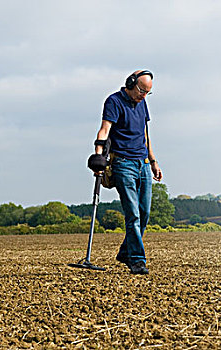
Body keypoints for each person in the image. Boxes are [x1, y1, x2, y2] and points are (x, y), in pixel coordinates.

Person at [89, 70, 162, 275]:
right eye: (141, 91)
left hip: (144, 163)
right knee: (133, 214)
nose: (144, 96)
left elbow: (145, 135)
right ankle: (137, 260)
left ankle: (125, 252)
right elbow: (104, 131)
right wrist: (98, 158)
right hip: (122, 164)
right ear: (130, 83)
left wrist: (154, 161)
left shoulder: (142, 103)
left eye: (148, 92)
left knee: (144, 213)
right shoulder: (113, 102)